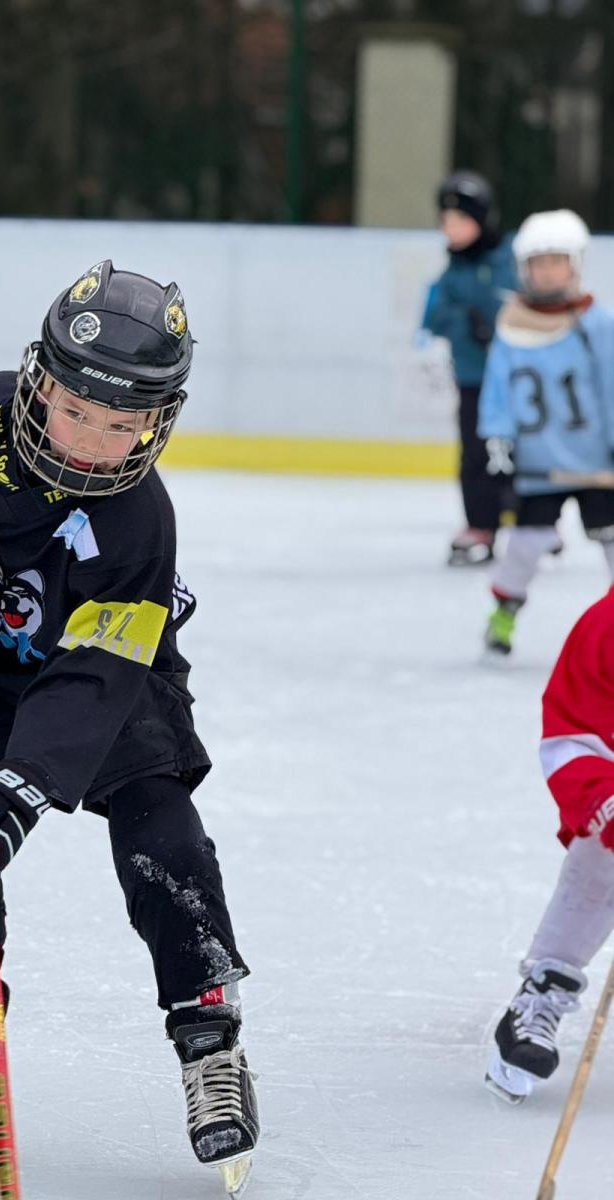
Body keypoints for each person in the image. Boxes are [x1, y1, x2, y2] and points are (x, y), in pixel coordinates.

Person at [0, 261, 259, 1186]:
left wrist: (24, 787)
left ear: (160, 423)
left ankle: (210, 1041)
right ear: (39, 380)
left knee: (162, 837)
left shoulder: (139, 525)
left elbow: (97, 673)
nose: (93, 442)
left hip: (117, 675)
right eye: (78, 410)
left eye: (125, 427)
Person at [485, 586, 614, 1102]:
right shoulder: (606, 628)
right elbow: (573, 735)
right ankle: (548, 983)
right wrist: (605, 800)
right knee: (602, 848)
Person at [478, 209, 614, 658]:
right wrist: (498, 438)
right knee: (528, 543)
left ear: (575, 265)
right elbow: (498, 387)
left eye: (557, 261)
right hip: (540, 461)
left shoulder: (597, 322)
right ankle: (504, 613)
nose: (548, 271)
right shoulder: (511, 324)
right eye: (538, 263)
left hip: (596, 460)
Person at [422, 170, 518, 565]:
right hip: (474, 377)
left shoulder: (509, 260)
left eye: (461, 220)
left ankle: (533, 521)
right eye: (446, 222)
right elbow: (432, 318)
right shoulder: (451, 273)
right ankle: (480, 524)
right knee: (475, 453)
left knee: (523, 452)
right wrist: (466, 321)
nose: (452, 229)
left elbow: (529, 303)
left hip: (517, 377)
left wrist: (497, 321)